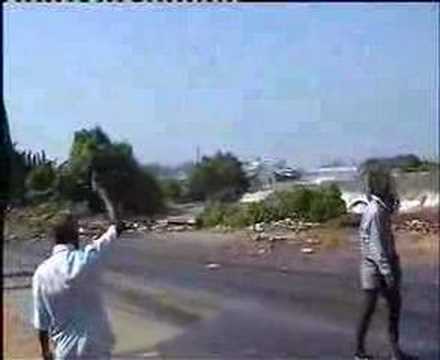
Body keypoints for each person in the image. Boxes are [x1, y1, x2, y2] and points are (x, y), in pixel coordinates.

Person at [32, 174, 124, 360]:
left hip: (65, 353)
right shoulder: (87, 259)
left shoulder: (40, 274)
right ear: (74, 236)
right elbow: (117, 226)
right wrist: (103, 195)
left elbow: (42, 323)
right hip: (96, 349)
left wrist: (45, 353)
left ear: (54, 238)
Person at [354, 166, 416, 360]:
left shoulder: (378, 207)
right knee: (388, 308)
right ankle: (380, 352)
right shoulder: (376, 211)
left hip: (374, 265)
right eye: (388, 183)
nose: (390, 186)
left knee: (373, 308)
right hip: (377, 266)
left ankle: (367, 351)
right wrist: (388, 272)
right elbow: (377, 247)